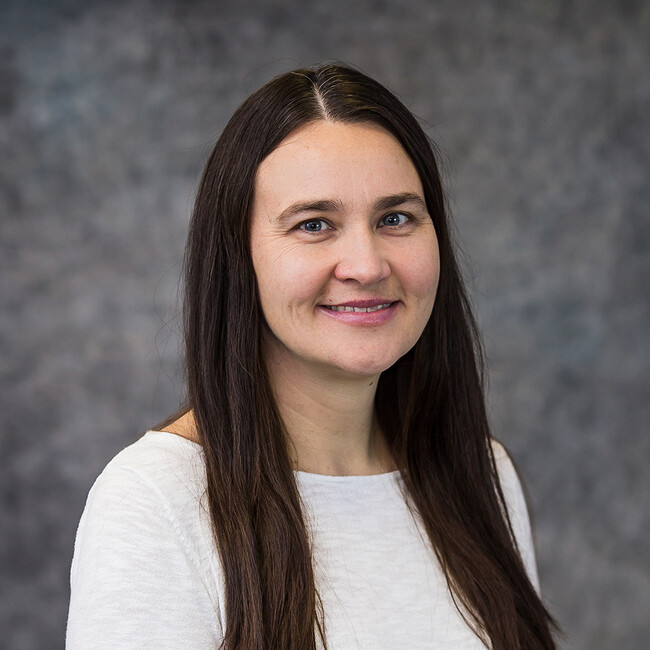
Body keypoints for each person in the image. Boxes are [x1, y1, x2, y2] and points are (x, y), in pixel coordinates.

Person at [66, 64, 557, 649]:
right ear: (238, 258)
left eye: (395, 218)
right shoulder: (155, 503)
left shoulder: (479, 471)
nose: (368, 265)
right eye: (315, 224)